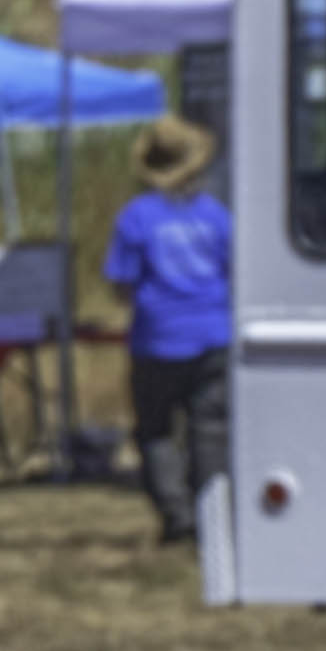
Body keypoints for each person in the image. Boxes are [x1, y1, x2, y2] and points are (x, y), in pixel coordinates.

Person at [100, 118, 235, 552]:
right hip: (214, 334)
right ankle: (211, 514)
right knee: (210, 430)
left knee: (156, 431)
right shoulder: (218, 218)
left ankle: (175, 515)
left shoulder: (136, 218)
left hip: (157, 338)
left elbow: (121, 282)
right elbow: (236, 273)